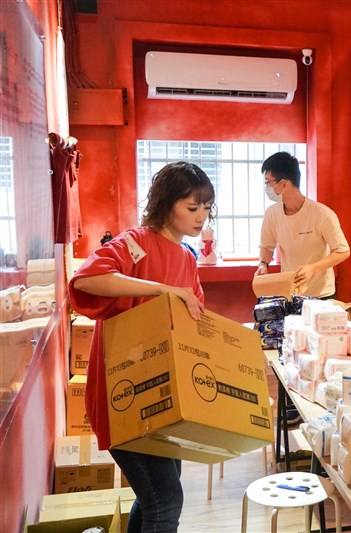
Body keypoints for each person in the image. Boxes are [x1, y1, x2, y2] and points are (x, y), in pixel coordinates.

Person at [69, 162, 214, 532]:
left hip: (165, 398)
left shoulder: (187, 258)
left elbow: (193, 322)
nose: (202, 217)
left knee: (154, 498)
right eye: (192, 208)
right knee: (166, 502)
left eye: (206, 208)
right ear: (167, 205)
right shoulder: (136, 244)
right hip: (126, 396)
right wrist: (163, 290)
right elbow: (88, 280)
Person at [256, 152, 350, 298]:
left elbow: (343, 251)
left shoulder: (322, 214)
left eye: (269, 182)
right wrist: (263, 264)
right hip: (290, 292)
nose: (266, 188)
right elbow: (267, 246)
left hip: (321, 294)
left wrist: (313, 268)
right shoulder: (272, 213)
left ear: (284, 184)